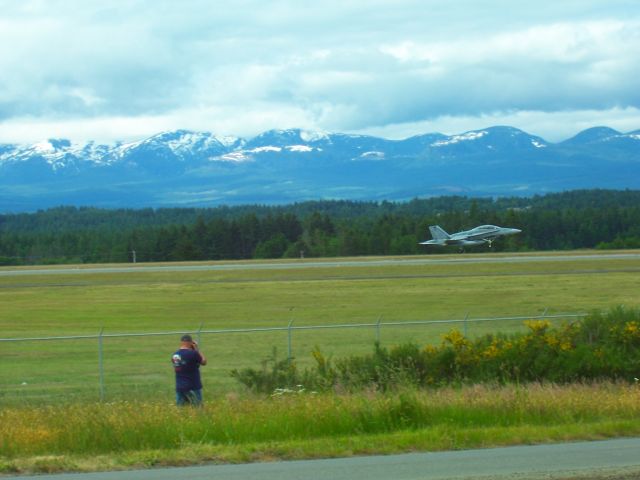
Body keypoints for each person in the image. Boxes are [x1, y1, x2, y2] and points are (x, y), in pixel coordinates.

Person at [171, 334, 207, 406]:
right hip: (193, 386)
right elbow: (204, 362)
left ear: (181, 343)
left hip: (180, 386)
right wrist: (197, 349)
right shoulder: (193, 353)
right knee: (197, 408)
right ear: (191, 343)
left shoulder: (175, 355)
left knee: (180, 410)